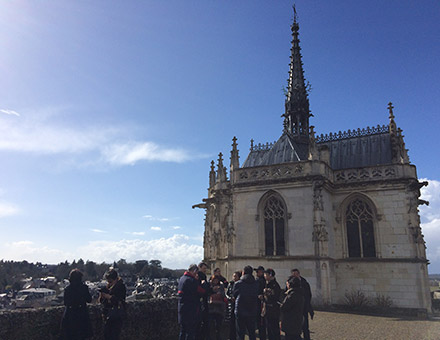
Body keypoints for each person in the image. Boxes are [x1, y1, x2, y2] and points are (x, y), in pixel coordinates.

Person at [61, 269, 93, 340]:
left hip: (70, 315)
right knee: (82, 336)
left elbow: (65, 302)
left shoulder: (67, 289)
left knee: (70, 336)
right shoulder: (84, 288)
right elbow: (89, 300)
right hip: (82, 314)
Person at [178, 264, 206, 340]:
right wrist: (203, 284)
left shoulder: (182, 279)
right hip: (191, 311)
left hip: (182, 309)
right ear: (194, 271)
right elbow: (201, 292)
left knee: (182, 332)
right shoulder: (191, 281)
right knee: (190, 333)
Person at [99, 268, 127, 340]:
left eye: (110, 281)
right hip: (108, 314)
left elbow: (120, 300)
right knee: (107, 334)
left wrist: (109, 297)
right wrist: (102, 296)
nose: (109, 283)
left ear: (116, 279)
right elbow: (102, 301)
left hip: (116, 314)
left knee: (114, 335)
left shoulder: (121, 287)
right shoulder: (108, 287)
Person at [233, 265, 259, 340]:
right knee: (252, 333)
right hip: (252, 310)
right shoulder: (256, 283)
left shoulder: (238, 284)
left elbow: (234, 295)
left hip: (240, 310)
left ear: (243, 272)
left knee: (240, 333)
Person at [291, 269, 314, 340]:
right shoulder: (290, 282)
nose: (294, 276)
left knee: (305, 326)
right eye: (293, 274)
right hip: (294, 308)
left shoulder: (304, 283)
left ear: (299, 274)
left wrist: (307, 305)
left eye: (296, 274)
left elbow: (308, 295)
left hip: (303, 307)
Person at [262, 269, 281, 340]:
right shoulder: (267, 283)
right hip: (268, 310)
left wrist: (267, 294)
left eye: (265, 274)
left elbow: (275, 297)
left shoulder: (274, 285)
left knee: (274, 328)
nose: (264, 276)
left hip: (273, 310)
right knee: (269, 329)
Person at [208, 275, 227, 340]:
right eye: (214, 280)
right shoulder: (209, 286)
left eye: (217, 280)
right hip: (211, 308)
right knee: (210, 325)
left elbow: (223, 295)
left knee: (218, 325)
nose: (216, 281)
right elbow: (207, 294)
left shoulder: (221, 286)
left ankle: (218, 336)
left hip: (219, 308)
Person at [196, 262, 211, 340]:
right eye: (204, 268)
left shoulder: (203, 276)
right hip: (201, 302)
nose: (205, 270)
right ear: (200, 268)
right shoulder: (199, 276)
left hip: (204, 301)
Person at [226, 271, 241, 340]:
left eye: (236, 276)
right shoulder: (230, 284)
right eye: (233, 276)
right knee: (231, 322)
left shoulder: (240, 284)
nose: (234, 278)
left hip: (238, 305)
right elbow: (227, 293)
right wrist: (230, 298)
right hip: (231, 305)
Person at [254, 266, 266, 340]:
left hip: (260, 303)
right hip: (257, 302)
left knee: (261, 322)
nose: (256, 273)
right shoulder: (258, 280)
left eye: (258, 272)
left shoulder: (261, 281)